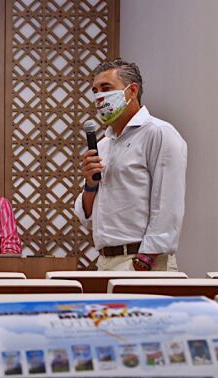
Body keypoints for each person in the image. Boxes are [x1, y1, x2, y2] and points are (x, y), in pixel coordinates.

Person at [75, 59, 187, 271]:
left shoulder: (159, 133)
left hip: (143, 260)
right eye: (95, 91)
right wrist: (90, 184)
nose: (99, 97)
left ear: (132, 90)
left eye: (106, 88)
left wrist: (146, 260)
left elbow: (168, 201)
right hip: (105, 260)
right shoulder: (103, 145)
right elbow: (87, 218)